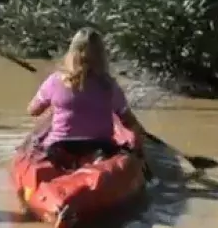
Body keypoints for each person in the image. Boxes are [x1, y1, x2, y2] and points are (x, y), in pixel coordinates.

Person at [26, 27, 148, 166]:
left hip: (61, 145)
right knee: (105, 155)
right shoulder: (109, 85)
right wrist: (140, 138)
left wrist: (55, 101)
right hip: (99, 146)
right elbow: (128, 121)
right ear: (101, 56)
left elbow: (33, 110)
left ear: (72, 52)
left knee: (52, 151)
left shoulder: (55, 81)